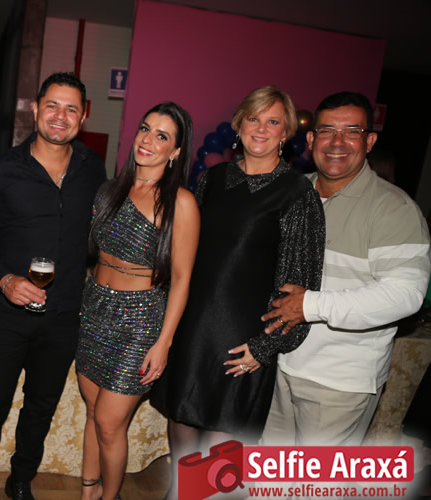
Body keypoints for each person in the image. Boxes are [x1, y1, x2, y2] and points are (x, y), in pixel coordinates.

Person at [151, 86, 325, 496]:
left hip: (243, 342)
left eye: (273, 121)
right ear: (238, 124)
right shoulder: (212, 179)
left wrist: (264, 348)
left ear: (286, 133)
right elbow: (185, 254)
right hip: (193, 331)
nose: (261, 128)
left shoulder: (298, 194)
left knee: (217, 463)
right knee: (182, 438)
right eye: (253, 118)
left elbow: (299, 292)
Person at [0, 72, 106, 500]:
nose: (60, 116)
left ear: (83, 115)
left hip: (64, 315)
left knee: (41, 407)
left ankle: (20, 481)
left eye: (71, 108)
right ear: (35, 108)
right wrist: (5, 279)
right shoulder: (1, 169)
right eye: (52, 106)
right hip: (7, 313)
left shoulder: (92, 168)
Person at [261, 92, 431, 447]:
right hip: (278, 366)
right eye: (327, 131)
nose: (337, 142)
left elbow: (406, 294)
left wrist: (309, 305)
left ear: (369, 142)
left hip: (337, 383)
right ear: (311, 140)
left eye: (352, 132)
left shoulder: (393, 209)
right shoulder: (292, 193)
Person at [76, 102, 199, 500]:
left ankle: (109, 496)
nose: (147, 140)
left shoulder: (181, 203)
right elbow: (92, 257)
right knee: (93, 413)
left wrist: (163, 343)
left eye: (162, 136)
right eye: (145, 129)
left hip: (140, 321)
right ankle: (89, 491)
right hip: (95, 310)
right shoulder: (109, 191)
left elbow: (182, 279)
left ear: (175, 151)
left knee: (110, 423)